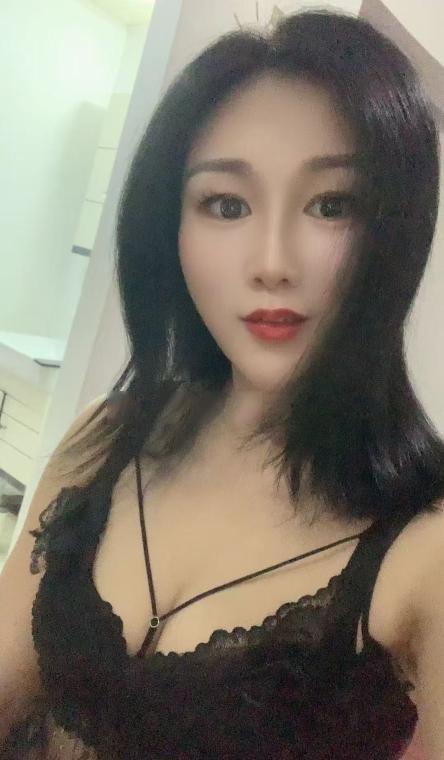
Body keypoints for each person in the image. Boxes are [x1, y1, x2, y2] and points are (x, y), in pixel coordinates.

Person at [0, 7, 443, 759]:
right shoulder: (105, 436)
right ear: (170, 228)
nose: (272, 262)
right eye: (226, 205)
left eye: (333, 205)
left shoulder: (425, 545)